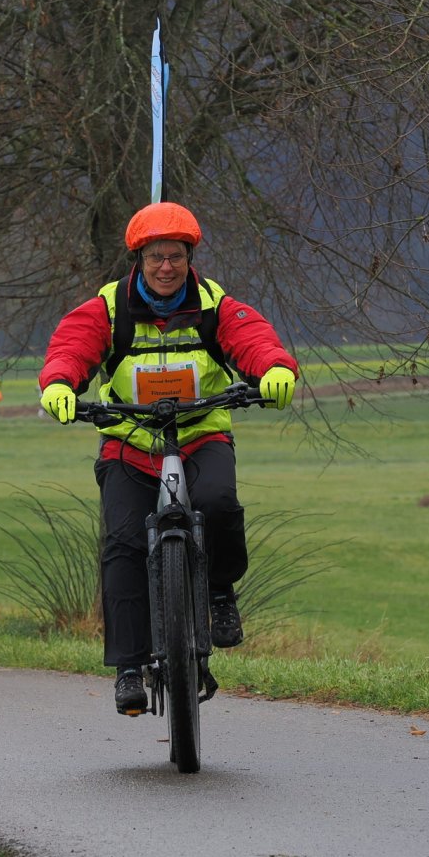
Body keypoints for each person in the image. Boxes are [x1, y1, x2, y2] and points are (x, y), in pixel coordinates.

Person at [38, 201, 298, 716]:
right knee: (123, 543)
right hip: (130, 443)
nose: (165, 267)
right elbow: (72, 345)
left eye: (175, 256)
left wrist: (273, 369)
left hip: (200, 435)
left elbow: (252, 339)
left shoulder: (214, 305)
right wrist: (60, 384)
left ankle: (219, 591)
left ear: (189, 258)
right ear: (138, 259)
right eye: (156, 257)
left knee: (218, 502)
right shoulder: (109, 307)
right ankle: (129, 668)